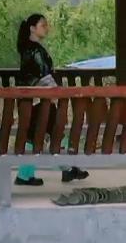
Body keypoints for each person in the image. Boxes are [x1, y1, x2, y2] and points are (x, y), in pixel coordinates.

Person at [15, 13, 89, 186]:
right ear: (32, 28)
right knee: (54, 131)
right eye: (43, 25)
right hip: (41, 101)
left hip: (33, 101)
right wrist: (56, 93)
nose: (46, 28)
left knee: (37, 135)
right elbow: (43, 76)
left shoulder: (29, 48)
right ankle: (65, 168)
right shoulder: (34, 50)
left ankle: (27, 175)